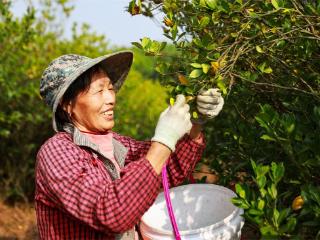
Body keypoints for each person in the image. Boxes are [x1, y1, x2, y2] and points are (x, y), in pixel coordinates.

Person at [35, 51, 224, 240]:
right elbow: (111, 213)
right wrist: (163, 141)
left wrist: (196, 123)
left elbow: (168, 169)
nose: (111, 99)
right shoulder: (57, 152)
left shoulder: (118, 144)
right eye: (99, 91)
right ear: (66, 104)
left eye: (110, 89)